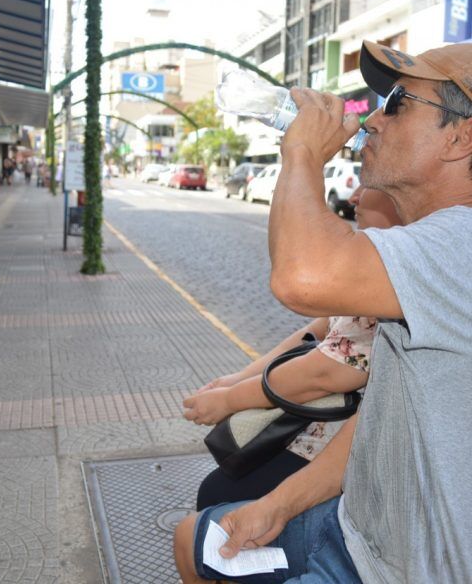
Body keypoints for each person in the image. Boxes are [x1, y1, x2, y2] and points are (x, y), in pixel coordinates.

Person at [175, 39, 472, 583]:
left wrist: (303, 153)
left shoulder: (460, 244)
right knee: (195, 539)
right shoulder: (430, 247)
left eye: (399, 102)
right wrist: (281, 505)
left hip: (414, 567)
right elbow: (375, 421)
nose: (373, 119)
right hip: (360, 528)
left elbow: (301, 277)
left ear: (461, 136)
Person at [184, 185, 401, 511]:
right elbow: (318, 329)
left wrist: (230, 398)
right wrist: (237, 378)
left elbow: (325, 373)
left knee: (217, 497)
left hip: (349, 453)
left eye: (368, 186)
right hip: (317, 431)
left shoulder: (398, 270)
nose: (353, 196)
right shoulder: (378, 261)